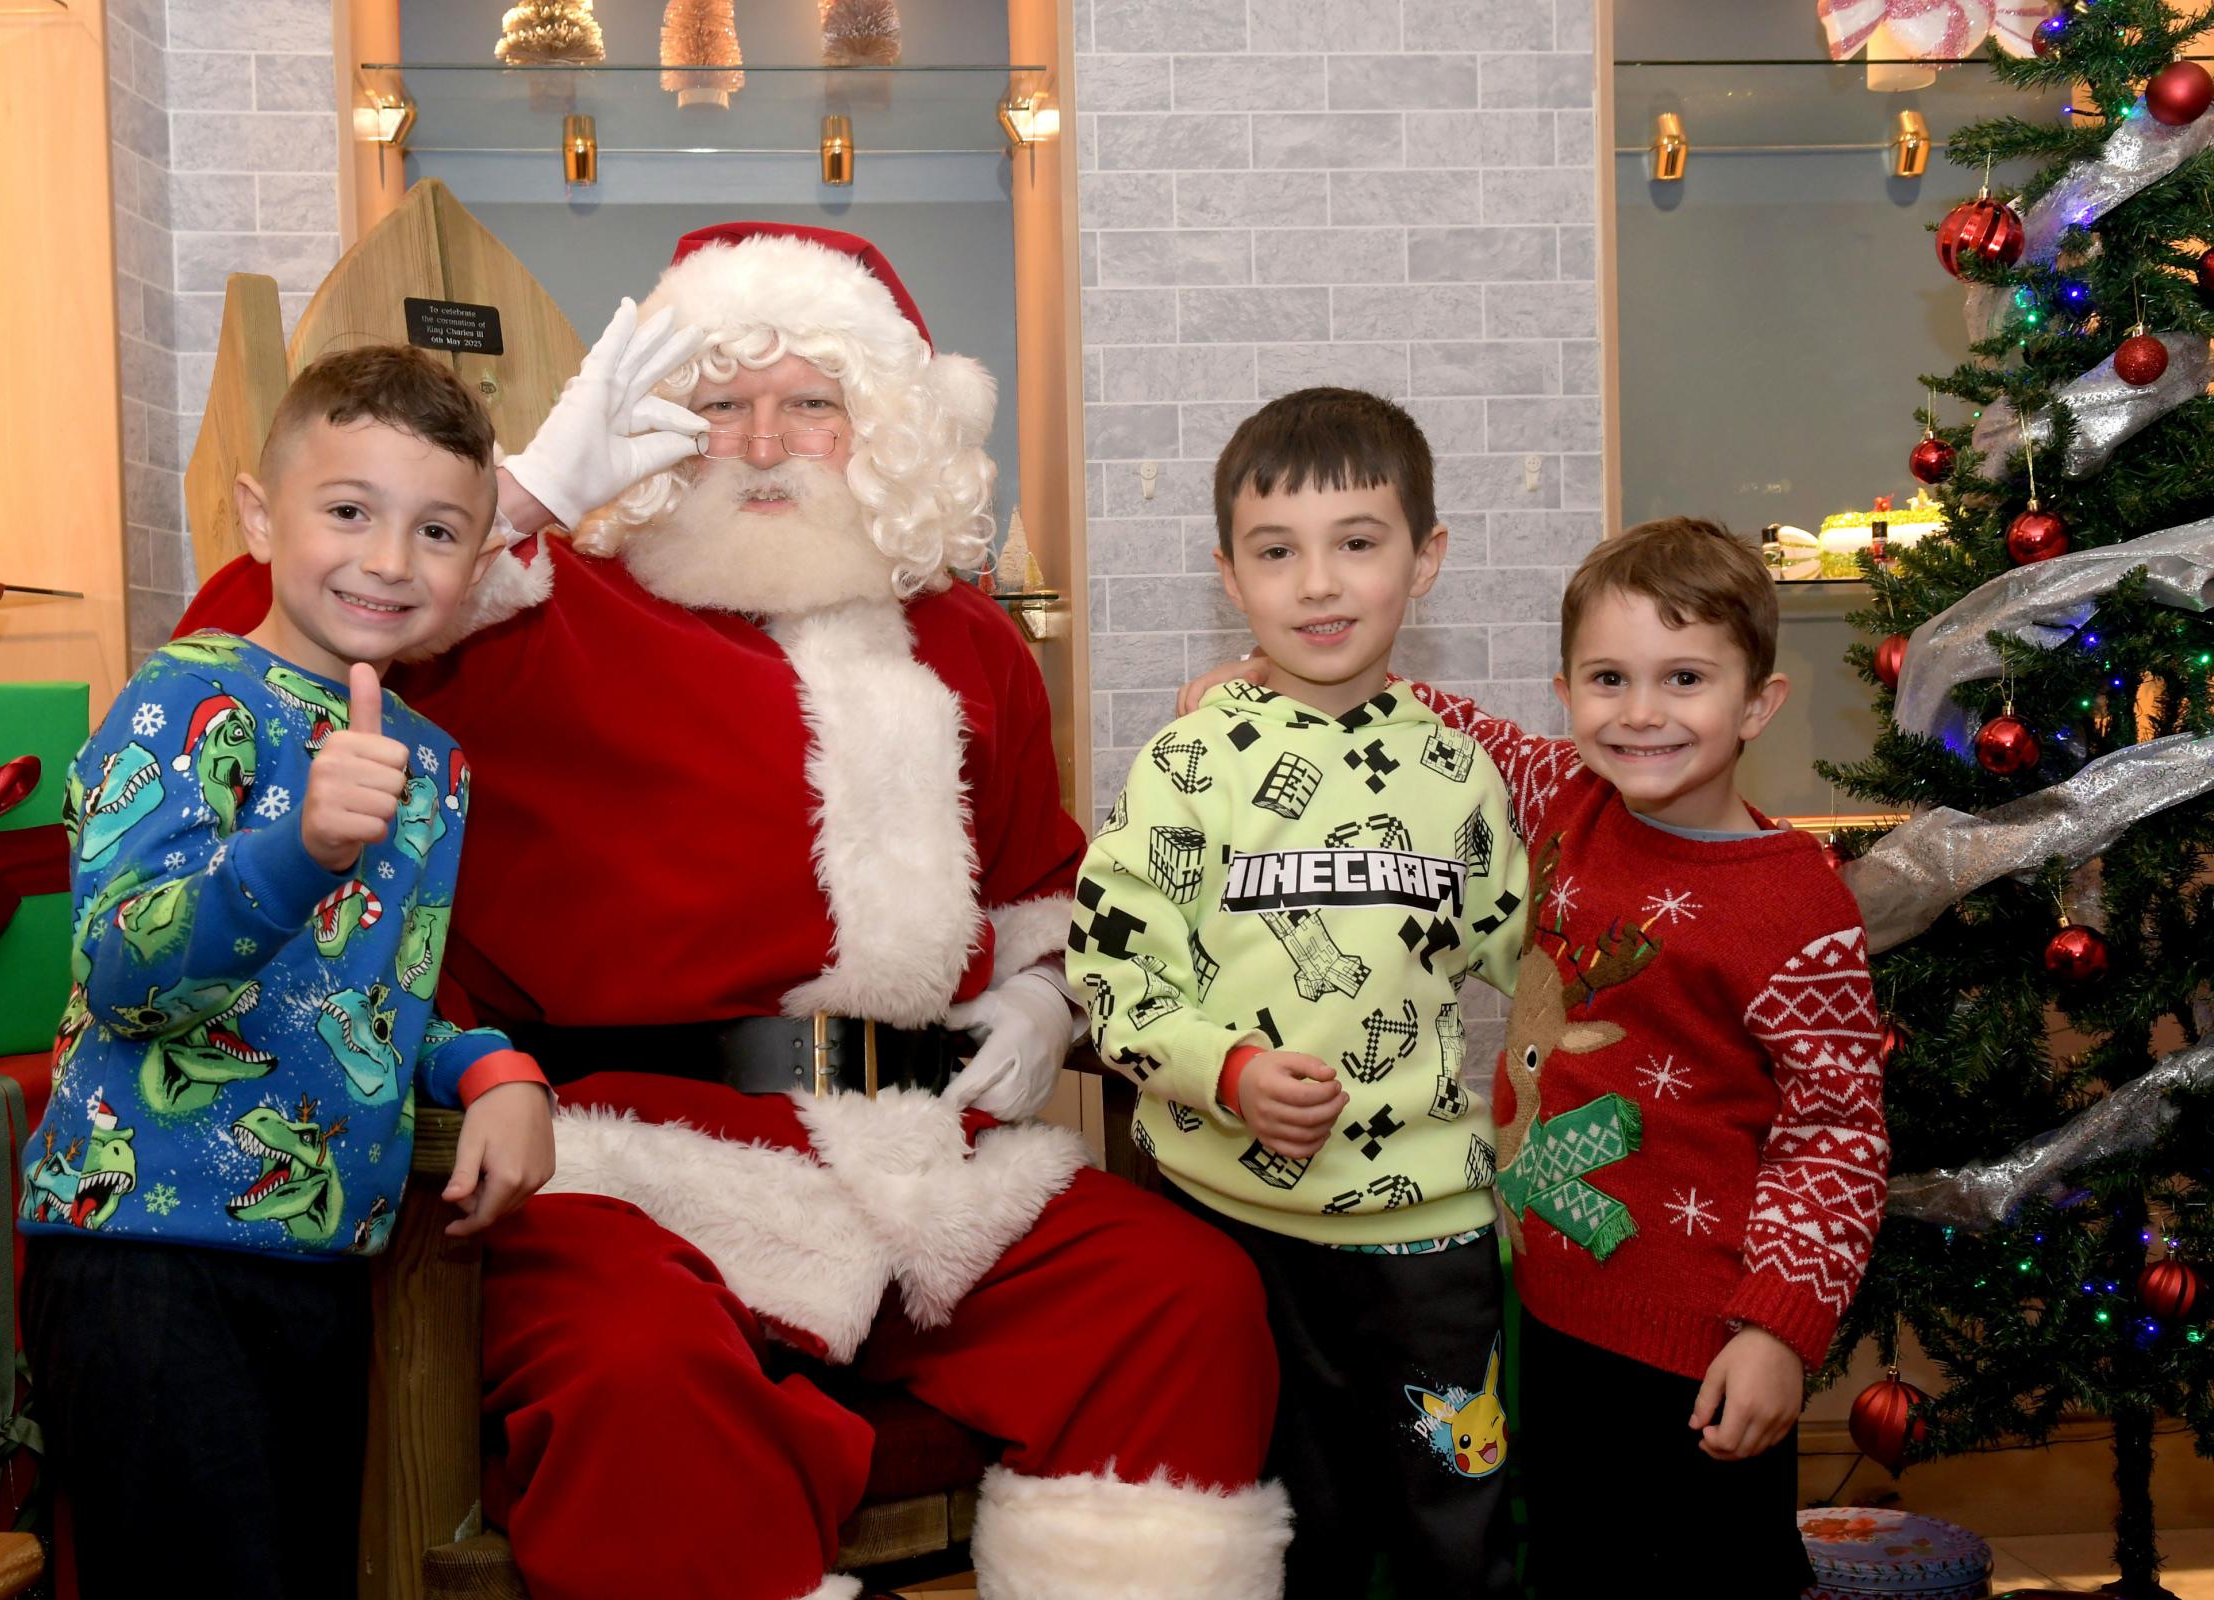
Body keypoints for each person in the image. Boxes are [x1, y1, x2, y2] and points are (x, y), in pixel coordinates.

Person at [174, 223, 1289, 1600]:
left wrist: (1044, 992)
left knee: (1182, 1299)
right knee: (640, 1375)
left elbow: (1042, 888)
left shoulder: (972, 642)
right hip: (617, 1164)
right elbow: (245, 641)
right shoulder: (525, 606)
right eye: (719, 403)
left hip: (920, 1157)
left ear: (878, 431)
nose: (762, 441)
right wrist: (513, 504)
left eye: (810, 403)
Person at [1188, 515, 1892, 1596]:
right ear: (1565, 692)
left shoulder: (1796, 901)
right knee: (1569, 1566)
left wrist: (1779, 1332)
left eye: (1686, 678)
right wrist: (1275, 684)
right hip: (1553, 1319)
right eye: (1608, 677)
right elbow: (1447, 723)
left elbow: (1836, 1130)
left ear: (1759, 701)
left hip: (1702, 1351)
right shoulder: (1569, 798)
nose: (1643, 711)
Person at [18, 346, 557, 1599]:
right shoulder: (188, 699)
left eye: (436, 531)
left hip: (314, 1259)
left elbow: (373, 988)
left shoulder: (430, 761)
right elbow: (120, 969)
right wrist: (301, 845)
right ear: (262, 517)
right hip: (147, 1248)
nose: (387, 559)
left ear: (477, 569)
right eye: (349, 510)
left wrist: (494, 1071)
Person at [1070, 388, 1527, 1599]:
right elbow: (1112, 968)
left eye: (1358, 543)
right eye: (1279, 552)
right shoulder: (1190, 763)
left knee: (1454, 1532)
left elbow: (1536, 963)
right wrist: (1224, 1071)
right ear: (1232, 575)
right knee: (1276, 1540)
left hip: (1431, 1234)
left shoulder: (1459, 770)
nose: (1319, 584)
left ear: (1425, 560)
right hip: (1233, 1231)